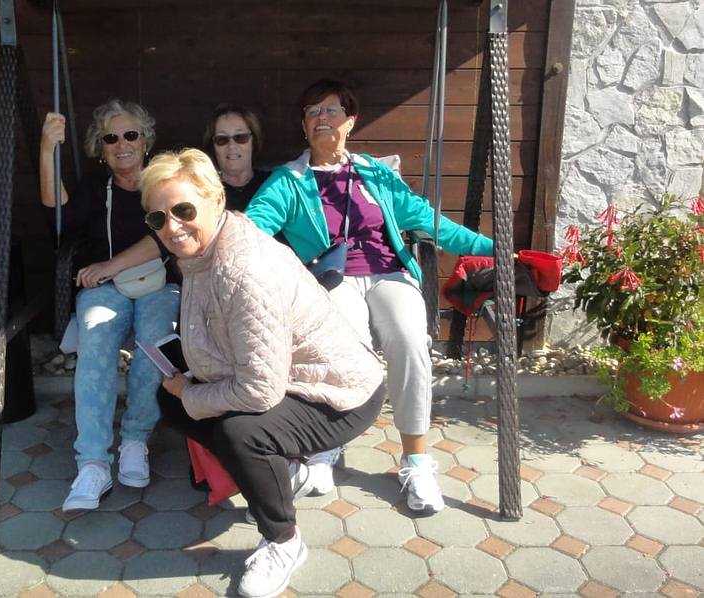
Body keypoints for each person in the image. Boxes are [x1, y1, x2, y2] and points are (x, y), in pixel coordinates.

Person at [140, 149, 385, 598]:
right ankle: (281, 473)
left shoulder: (243, 268)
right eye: (158, 218)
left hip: (340, 393)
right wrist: (187, 385)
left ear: (216, 200)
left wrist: (193, 393)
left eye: (183, 211)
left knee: (240, 433)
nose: (172, 227)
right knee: (170, 400)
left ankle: (283, 541)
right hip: (287, 376)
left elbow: (258, 390)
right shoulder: (203, 250)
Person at [245, 79, 494, 515]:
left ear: (350, 121)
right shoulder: (290, 181)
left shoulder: (376, 175)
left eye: (331, 110)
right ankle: (324, 447)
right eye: (312, 112)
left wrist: (495, 249)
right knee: (343, 347)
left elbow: (430, 221)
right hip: (332, 279)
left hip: (389, 273)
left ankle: (416, 460)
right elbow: (254, 228)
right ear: (303, 126)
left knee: (410, 340)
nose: (322, 118)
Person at [39, 99, 180, 511]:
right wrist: (47, 148)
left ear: (146, 140)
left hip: (157, 282)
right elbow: (58, 214)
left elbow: (165, 237)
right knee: (96, 344)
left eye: (130, 135)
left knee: (154, 342)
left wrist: (109, 266)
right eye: (111, 138)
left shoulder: (163, 183)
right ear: (101, 148)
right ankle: (93, 462)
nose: (122, 144)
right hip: (105, 289)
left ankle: (135, 439)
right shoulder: (94, 188)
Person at [202, 103, 270, 211]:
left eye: (240, 137)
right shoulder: (204, 191)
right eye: (222, 139)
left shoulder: (272, 184)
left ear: (254, 142)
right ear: (213, 146)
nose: (231, 146)